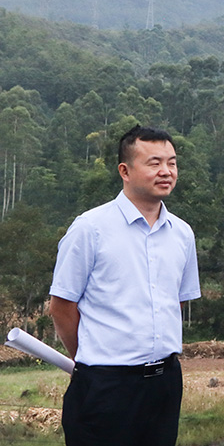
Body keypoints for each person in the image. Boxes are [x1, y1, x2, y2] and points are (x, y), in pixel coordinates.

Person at [49, 125, 201, 446]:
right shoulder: (90, 229)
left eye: (172, 163)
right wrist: (90, 359)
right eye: (154, 163)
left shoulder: (182, 233)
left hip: (165, 383)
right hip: (105, 386)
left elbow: (177, 302)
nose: (166, 171)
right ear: (125, 171)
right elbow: (61, 306)